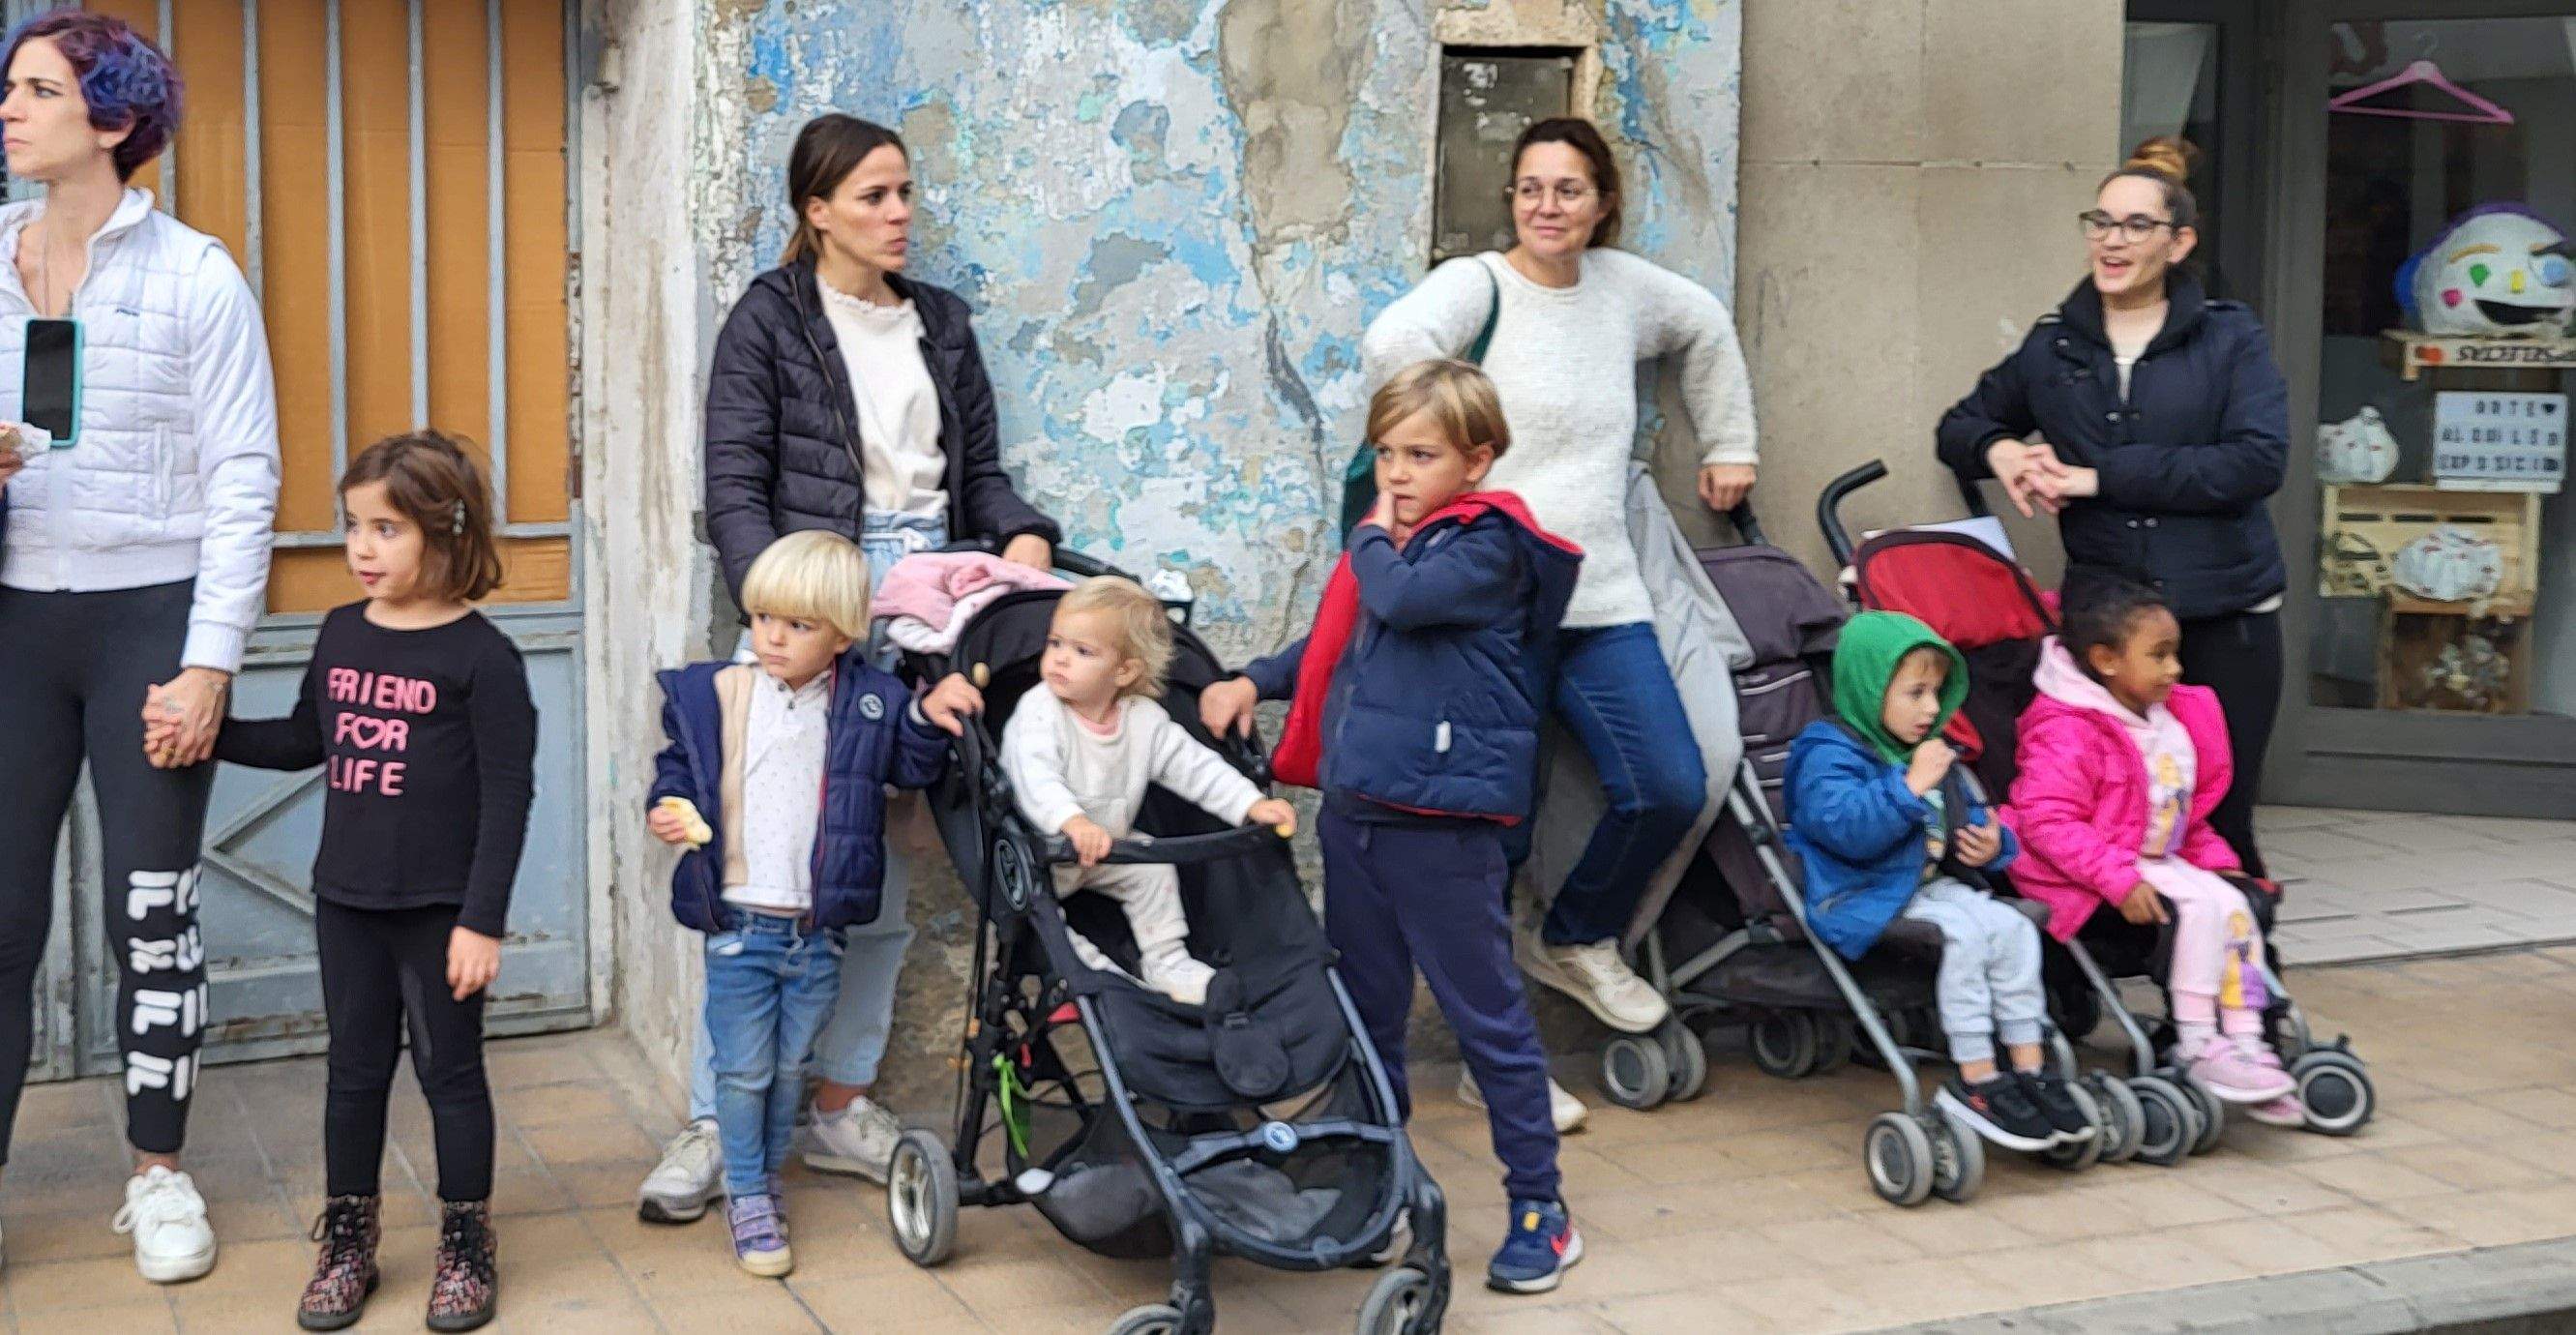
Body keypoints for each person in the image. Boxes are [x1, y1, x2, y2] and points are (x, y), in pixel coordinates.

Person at [645, 111, 1064, 1215]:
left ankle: (838, 1105)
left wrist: (1022, 535)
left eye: (906, 193)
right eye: (874, 196)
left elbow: (978, 478)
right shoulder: (769, 318)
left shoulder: (941, 324)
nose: (899, 214)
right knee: (757, 872)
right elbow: (734, 486)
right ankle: (718, 1123)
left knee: (877, 872)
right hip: (813, 602)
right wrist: (789, 608)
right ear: (817, 210)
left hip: (928, 606)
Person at [1357, 116, 1755, 1041]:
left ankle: (1575, 937)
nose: (1547, 207)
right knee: (1497, 823)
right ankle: (1491, 1045)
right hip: (1491, 605)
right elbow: (1391, 344)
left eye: (1568, 190)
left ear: (1601, 203)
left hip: (1601, 595)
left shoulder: (1621, 291)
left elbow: (1703, 323)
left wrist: (1729, 443)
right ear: (1512, 197)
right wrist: (1448, 451)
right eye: (1530, 188)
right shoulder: (1479, 285)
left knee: (1669, 782)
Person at [1202, 361, 1586, 1293]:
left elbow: (1400, 601)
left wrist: (1370, 533)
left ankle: (1541, 1206)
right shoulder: (1399, 551)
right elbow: (1341, 640)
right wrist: (1255, 677)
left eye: (1421, 455)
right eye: (1384, 455)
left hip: (1442, 826)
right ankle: (1378, 1188)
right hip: (1361, 813)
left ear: (1477, 460)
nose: (1397, 474)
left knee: (1485, 1017)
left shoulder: (1487, 545)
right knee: (1368, 1018)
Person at [0, 11, 281, 1284]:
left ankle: (158, 1178)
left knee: (151, 915)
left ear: (112, 120)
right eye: (10, 88)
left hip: (149, 622)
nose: (10, 110)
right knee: (1, 922)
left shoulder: (195, 275)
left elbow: (245, 475)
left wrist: (210, 661)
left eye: (38, 90)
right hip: (14, 623)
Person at [170, 434, 532, 1331]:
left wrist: (482, 921)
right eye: (353, 526)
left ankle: (466, 1242)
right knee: (354, 1073)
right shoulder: (340, 631)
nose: (361, 548)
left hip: (442, 911)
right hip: (347, 901)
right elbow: (307, 739)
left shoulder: (483, 659)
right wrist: (206, 731)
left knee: (451, 1074)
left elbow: (508, 797)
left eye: (386, 529)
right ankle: (347, 1242)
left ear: (445, 531)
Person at [1936, 136, 2290, 878]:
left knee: (2217, 818)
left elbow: (2255, 462)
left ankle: (2235, 949)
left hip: (2222, 615)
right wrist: (2000, 451)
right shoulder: (2053, 347)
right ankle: (2108, 949)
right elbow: (1959, 427)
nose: (2112, 240)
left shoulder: (2229, 338)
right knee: (2102, 811)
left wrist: (2097, 479)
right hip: (2106, 625)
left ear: (2177, 242)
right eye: (2100, 222)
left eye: (2134, 225)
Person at [645, 530, 984, 1276]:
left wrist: (927, 716)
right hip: (739, 925)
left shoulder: (870, 703)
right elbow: (677, 771)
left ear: (843, 634)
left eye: (798, 625)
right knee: (743, 1072)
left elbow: (908, 768)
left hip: (816, 933)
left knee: (789, 1067)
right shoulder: (720, 693)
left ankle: (764, 1178)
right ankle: (747, 1194)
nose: (772, 637)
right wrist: (668, 805)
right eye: (763, 617)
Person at [1781, 611, 2094, 1153]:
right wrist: (1909, 787)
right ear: (1871, 688)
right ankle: (1976, 1078)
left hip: (1927, 887)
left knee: (2013, 928)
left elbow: (1971, 816)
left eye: (1937, 693)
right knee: (1966, 938)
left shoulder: (1929, 749)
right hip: (1861, 894)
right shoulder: (1827, 753)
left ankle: (2030, 1067)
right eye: (1915, 693)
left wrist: (1995, 846)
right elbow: (1844, 830)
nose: (1931, 708)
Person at [2004, 573, 2301, 1123]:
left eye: (2175, 653)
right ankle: (2195, 1041)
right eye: (2159, 656)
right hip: (2083, 874)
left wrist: (2220, 864)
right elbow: (2045, 821)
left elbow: (2178, 817)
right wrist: (2119, 879)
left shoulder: (2163, 723)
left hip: (2153, 859)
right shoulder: (2067, 728)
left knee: (2235, 903)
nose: (2175, 669)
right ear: (2106, 660)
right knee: (2197, 908)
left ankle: (2244, 1037)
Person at [999, 576, 1295, 1004]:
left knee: (1153, 869)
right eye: (1055, 643)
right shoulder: (1040, 712)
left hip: (1110, 848)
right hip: (1045, 852)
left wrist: (1250, 803)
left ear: (1124, 671)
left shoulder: (1143, 720)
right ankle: (1079, 964)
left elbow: (1195, 768)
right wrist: (1072, 822)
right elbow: (1035, 777)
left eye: (1082, 651)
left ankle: (1167, 960)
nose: (1060, 659)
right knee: (1036, 906)